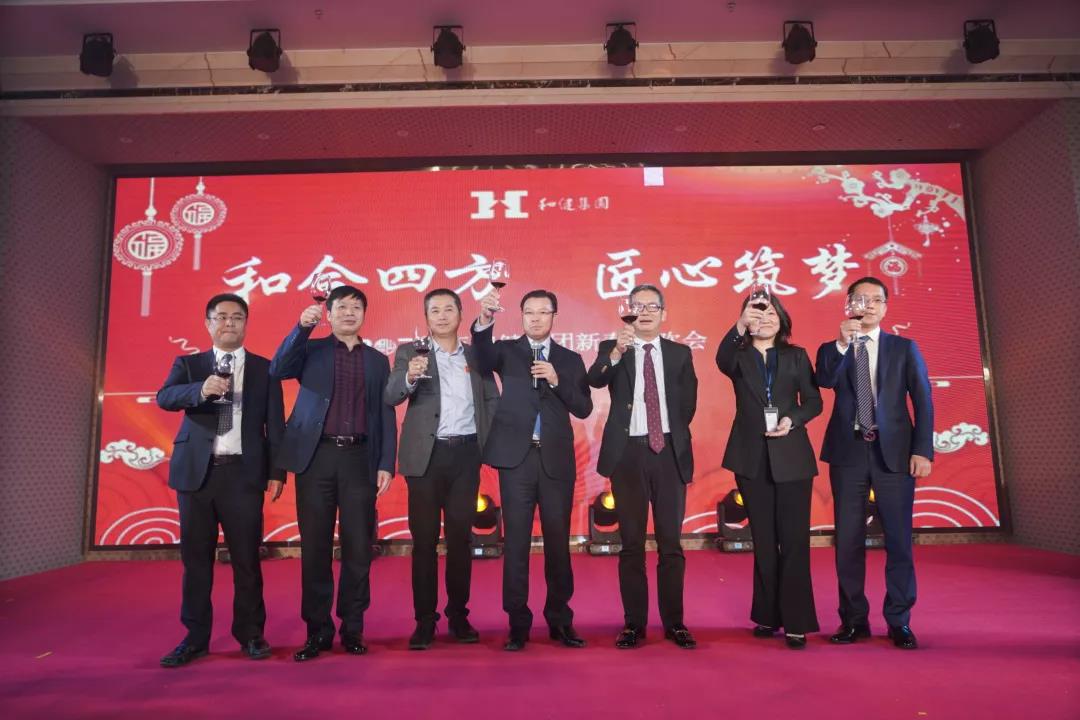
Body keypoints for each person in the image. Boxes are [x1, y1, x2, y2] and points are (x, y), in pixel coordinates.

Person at [270, 285, 397, 661]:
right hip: (316, 458)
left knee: (359, 548)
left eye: (356, 307)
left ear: (365, 314)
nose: (349, 313)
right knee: (316, 548)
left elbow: (385, 412)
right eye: (341, 307)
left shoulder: (378, 360)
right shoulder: (311, 350)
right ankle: (317, 631)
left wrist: (386, 462)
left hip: (360, 459)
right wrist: (301, 328)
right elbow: (278, 368)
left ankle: (353, 628)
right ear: (329, 313)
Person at [157, 293, 284, 667]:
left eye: (237, 317)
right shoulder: (190, 364)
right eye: (222, 317)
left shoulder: (265, 369)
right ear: (208, 323)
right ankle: (195, 638)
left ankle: (251, 634)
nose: (230, 323)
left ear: (246, 323)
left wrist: (277, 472)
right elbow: (164, 397)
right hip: (197, 474)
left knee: (247, 560)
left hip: (243, 474)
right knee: (196, 562)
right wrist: (200, 390)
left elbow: (275, 425)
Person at [471, 288, 593, 651]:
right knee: (516, 544)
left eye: (543, 312)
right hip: (517, 460)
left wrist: (556, 380)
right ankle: (518, 623)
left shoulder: (570, 359)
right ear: (521, 316)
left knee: (558, 544)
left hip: (555, 461)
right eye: (529, 312)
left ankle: (560, 619)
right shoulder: (507, 351)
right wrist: (484, 320)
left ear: (554, 316)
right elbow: (481, 358)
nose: (536, 318)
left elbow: (584, 407)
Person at [816, 276, 933, 650]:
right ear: (847, 305)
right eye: (859, 299)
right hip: (848, 453)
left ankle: (899, 620)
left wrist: (922, 450)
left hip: (894, 452)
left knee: (898, 539)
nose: (867, 305)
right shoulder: (832, 348)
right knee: (847, 541)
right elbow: (824, 380)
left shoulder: (903, 348)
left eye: (875, 300)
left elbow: (923, 399)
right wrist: (842, 343)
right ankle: (853, 620)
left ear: (885, 307)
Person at [384, 288, 500, 650]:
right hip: (426, 457)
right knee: (424, 542)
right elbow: (391, 395)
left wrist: (493, 446)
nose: (442, 316)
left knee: (461, 540)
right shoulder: (411, 352)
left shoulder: (475, 356)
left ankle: (458, 616)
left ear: (461, 314)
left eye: (449, 309)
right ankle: (424, 621)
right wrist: (409, 377)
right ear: (426, 317)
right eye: (434, 310)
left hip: (465, 455)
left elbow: (491, 400)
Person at [586, 284, 699, 650]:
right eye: (639, 306)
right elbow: (595, 378)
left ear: (664, 313)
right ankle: (634, 624)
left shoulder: (680, 353)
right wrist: (617, 353)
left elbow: (688, 405)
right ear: (629, 312)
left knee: (671, 544)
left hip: (668, 453)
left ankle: (675, 623)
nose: (645, 312)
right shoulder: (613, 347)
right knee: (631, 544)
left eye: (652, 306)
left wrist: (667, 434)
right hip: (628, 456)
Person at [715, 293, 822, 649]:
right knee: (763, 540)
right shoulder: (739, 357)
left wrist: (793, 419)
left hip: (793, 457)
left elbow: (814, 401)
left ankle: (796, 621)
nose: (766, 318)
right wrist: (741, 323)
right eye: (758, 314)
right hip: (750, 458)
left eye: (773, 313)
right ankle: (767, 614)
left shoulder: (796, 355)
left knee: (794, 541)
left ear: (782, 320)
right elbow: (721, 358)